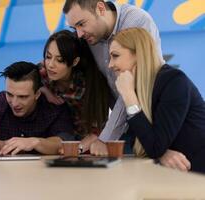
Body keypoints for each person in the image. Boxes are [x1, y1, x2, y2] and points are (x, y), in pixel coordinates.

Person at [63, 0, 188, 166]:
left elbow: (132, 87)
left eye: (81, 24)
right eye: (74, 28)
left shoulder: (136, 22)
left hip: (151, 122)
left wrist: (105, 138)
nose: (79, 34)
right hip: (128, 125)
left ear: (100, 8)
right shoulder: (90, 36)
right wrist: (43, 82)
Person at [109, 27, 205, 173]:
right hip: (176, 176)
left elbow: (154, 146)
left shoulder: (174, 81)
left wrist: (129, 96)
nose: (110, 65)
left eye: (115, 56)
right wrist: (162, 153)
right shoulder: (139, 87)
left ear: (138, 55)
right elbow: (142, 142)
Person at [40, 30, 110, 153]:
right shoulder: (42, 73)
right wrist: (44, 90)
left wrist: (77, 149)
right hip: (54, 141)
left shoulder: (88, 85)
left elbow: (98, 130)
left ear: (75, 62)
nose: (51, 65)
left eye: (60, 60)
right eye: (48, 57)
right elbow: (23, 84)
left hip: (88, 145)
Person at [0, 61, 74, 155]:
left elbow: (63, 142)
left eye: (23, 97)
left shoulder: (54, 109)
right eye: (9, 94)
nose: (14, 103)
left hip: (44, 169)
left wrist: (35, 142)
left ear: (37, 94)